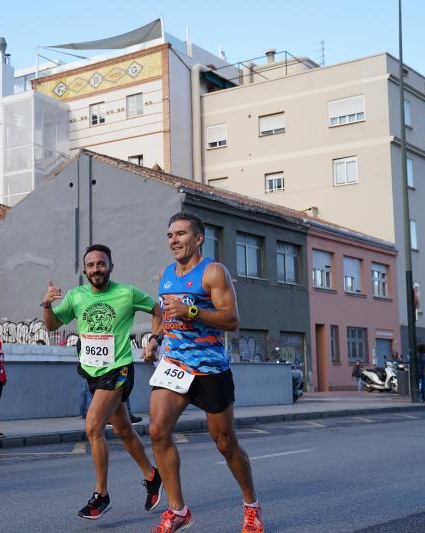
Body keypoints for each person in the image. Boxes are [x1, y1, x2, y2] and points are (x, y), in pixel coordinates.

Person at [144, 213, 264, 533]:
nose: (174, 240)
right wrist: (155, 339)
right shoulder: (166, 274)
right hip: (174, 364)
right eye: (170, 235)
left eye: (181, 234)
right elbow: (163, 314)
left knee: (224, 442)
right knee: (157, 430)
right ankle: (178, 509)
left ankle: (251, 505)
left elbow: (231, 319)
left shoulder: (213, 272)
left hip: (210, 366)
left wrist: (192, 310)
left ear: (198, 239)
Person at [42, 244, 163, 520]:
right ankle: (152, 475)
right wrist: (47, 304)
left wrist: (155, 339)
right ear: (84, 270)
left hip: (118, 369)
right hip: (92, 373)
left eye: (101, 264)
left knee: (93, 426)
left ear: (111, 266)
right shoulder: (76, 296)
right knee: (122, 430)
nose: (96, 269)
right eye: (91, 265)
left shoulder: (127, 293)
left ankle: (101, 495)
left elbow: (158, 310)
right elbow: (51, 326)